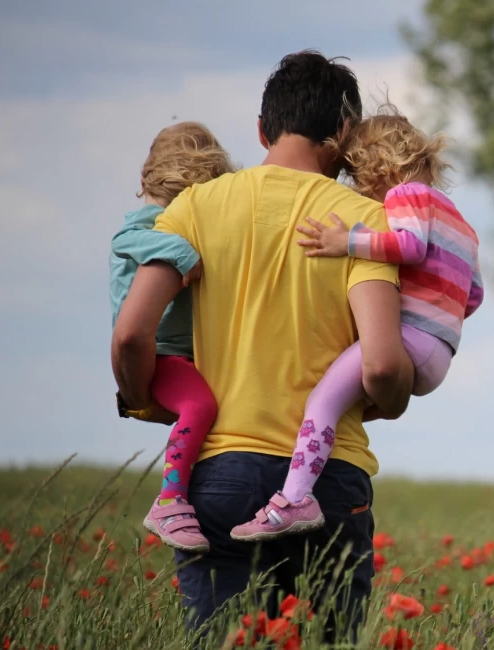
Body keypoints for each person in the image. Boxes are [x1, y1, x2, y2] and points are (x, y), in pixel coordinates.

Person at [111, 50, 414, 634]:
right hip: (328, 480)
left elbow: (130, 333)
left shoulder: (193, 208)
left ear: (260, 129)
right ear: (344, 133)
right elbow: (380, 364)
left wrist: (144, 397)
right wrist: (393, 398)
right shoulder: (363, 222)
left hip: (218, 473)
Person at [230, 111, 484, 541]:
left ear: (377, 166)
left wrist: (345, 242)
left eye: (357, 176)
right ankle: (309, 476)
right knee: (345, 402)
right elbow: (473, 295)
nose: (359, 189)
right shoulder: (461, 223)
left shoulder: (406, 195)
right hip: (441, 352)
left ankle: (294, 499)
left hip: (410, 339)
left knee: (322, 401)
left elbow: (408, 245)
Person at [110, 122, 234, 553]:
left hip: (183, 354)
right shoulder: (149, 223)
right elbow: (127, 239)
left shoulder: (171, 219)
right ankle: (170, 500)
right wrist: (183, 253)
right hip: (161, 354)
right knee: (200, 405)